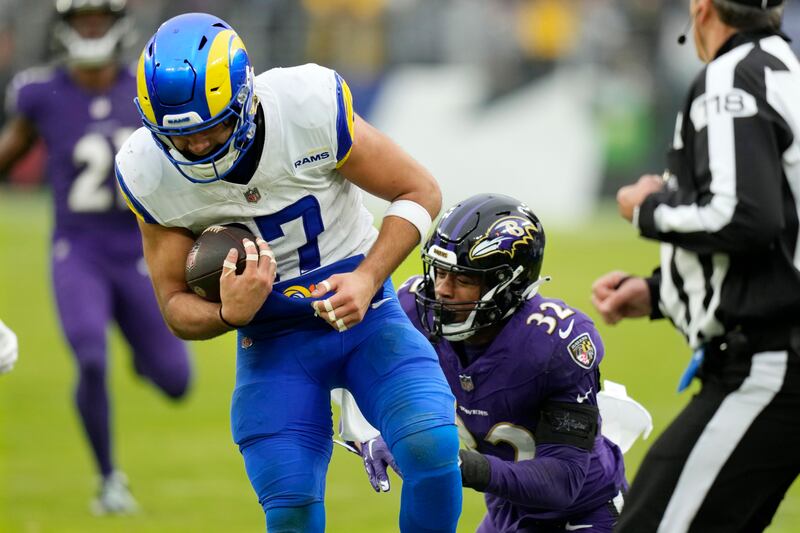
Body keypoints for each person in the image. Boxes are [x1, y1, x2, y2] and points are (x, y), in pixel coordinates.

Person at [114, 12, 462, 532]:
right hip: (272, 337)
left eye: (215, 128)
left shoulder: (307, 104)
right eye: (183, 139)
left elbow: (420, 192)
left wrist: (367, 277)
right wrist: (228, 313)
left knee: (431, 444)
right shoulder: (147, 171)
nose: (201, 147)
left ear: (244, 97)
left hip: (365, 315)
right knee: (291, 503)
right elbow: (173, 305)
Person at [591, 0, 800, 531]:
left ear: (702, 9)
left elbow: (745, 217)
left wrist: (644, 207)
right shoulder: (785, 69)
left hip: (769, 363)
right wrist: (662, 293)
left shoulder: (731, 78)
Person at [0, 0, 192, 515]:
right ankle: (109, 480)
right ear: (65, 28)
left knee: (177, 383)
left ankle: (140, 353)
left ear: (117, 25)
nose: (90, 28)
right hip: (77, 250)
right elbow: (10, 152)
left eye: (98, 20)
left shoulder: (145, 91)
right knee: (88, 357)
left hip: (138, 249)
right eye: (81, 20)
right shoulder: (42, 93)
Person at [361, 193, 628, 531]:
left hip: (584, 515)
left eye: (463, 279)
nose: (442, 290)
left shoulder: (556, 343)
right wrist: (373, 431)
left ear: (508, 286)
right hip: (506, 509)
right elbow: (361, 366)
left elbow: (564, 481)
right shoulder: (414, 310)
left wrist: (453, 463)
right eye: (440, 272)